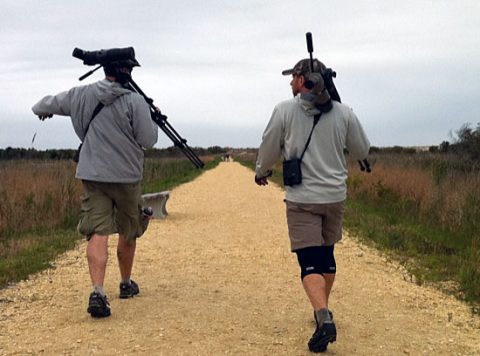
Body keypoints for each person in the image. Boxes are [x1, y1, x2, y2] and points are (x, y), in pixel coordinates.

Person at [255, 58, 370, 352]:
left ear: (302, 80)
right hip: (334, 197)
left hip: (302, 199)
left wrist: (262, 170)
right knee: (327, 257)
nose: (291, 83)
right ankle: (323, 308)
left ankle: (322, 316)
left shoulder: (284, 110)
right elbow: (361, 149)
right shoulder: (344, 113)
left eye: (293, 78)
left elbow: (269, 146)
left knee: (308, 262)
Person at [32, 56, 158, 318]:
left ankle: (98, 291)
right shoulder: (135, 101)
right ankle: (125, 283)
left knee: (97, 231)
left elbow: (42, 105)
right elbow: (149, 139)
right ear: (127, 71)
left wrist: (44, 111)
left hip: (93, 174)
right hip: (127, 176)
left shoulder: (80, 95)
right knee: (128, 228)